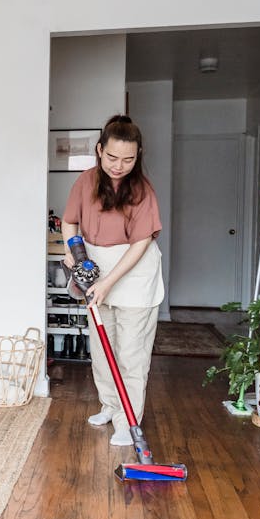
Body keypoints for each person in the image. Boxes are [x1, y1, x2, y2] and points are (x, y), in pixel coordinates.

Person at [61, 115, 164, 446]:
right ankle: (109, 405)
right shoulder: (86, 181)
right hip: (96, 274)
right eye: (112, 157)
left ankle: (128, 420)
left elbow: (140, 244)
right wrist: (72, 253)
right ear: (99, 150)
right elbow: (69, 222)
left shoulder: (142, 190)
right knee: (101, 350)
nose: (119, 166)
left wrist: (107, 283)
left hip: (134, 275)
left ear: (139, 155)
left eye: (129, 159)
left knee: (131, 355)